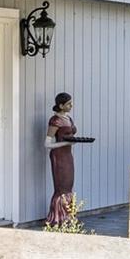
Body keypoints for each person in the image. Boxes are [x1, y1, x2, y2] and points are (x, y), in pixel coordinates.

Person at [43, 92, 95, 226]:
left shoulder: (69, 119)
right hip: (58, 155)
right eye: (68, 104)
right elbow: (47, 144)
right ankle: (57, 218)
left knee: (68, 185)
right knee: (61, 187)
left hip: (67, 155)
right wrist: (66, 143)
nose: (71, 106)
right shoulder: (55, 120)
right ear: (61, 105)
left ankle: (68, 217)